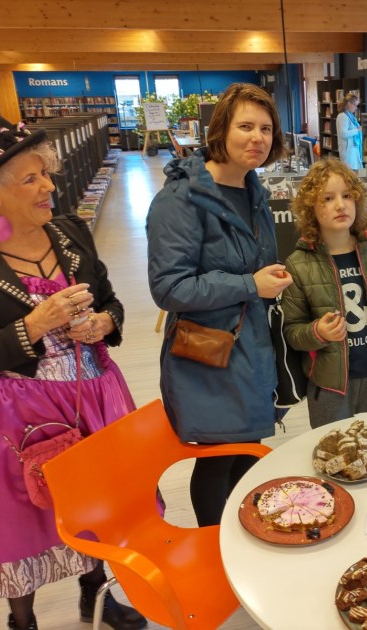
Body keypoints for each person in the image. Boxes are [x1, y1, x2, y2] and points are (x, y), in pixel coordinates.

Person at [0, 115, 146, 630]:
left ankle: (95, 596)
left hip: (94, 396)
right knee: (21, 520)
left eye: (45, 172)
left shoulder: (70, 232)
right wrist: (33, 325)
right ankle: (22, 620)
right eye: (31, 178)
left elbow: (111, 302)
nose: (49, 185)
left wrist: (103, 323)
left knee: (96, 504)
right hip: (14, 415)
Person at [146, 83, 293, 527]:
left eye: (266, 129)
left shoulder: (253, 189)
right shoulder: (181, 199)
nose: (258, 138)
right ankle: (215, 547)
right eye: (245, 126)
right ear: (220, 131)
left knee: (247, 456)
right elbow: (169, 288)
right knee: (217, 460)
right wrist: (250, 284)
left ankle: (243, 539)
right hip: (208, 356)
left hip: (253, 348)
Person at [282, 158, 367, 428]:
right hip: (329, 385)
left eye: (347, 196)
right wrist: (318, 332)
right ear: (310, 208)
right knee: (332, 447)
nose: (340, 205)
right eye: (327, 198)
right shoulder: (299, 264)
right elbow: (292, 331)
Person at [336, 93, 363, 170]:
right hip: (348, 151)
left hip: (353, 150)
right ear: (349, 104)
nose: (356, 108)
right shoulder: (342, 116)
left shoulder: (350, 116)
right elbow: (343, 133)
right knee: (349, 172)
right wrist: (357, 130)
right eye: (355, 105)